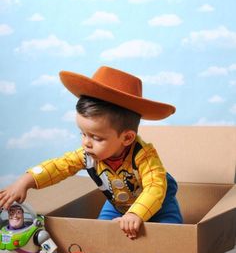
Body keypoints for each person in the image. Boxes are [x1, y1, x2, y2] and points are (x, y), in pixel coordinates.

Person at [0, 66, 183, 238]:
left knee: (172, 235)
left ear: (127, 138)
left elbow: (155, 187)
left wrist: (136, 213)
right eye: (83, 134)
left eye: (96, 138)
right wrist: (25, 181)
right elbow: (58, 166)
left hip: (160, 207)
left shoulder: (144, 156)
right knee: (99, 234)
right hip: (118, 207)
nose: (86, 143)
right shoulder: (88, 155)